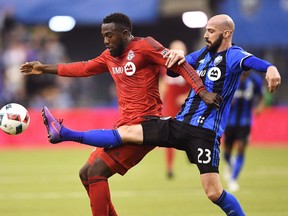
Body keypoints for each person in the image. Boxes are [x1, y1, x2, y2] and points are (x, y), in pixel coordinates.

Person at [35, 14, 281, 215]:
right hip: (180, 124)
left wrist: (269, 68)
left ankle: (65, 133)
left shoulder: (234, 55)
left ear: (226, 33)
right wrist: (174, 59)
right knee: (91, 169)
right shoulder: (202, 56)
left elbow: (254, 63)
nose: (205, 35)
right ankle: (64, 133)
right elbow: (177, 68)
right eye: (205, 30)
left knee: (213, 193)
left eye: (211, 31)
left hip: (204, 133)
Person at [223, 70, 265, 192]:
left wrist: (259, 106)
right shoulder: (230, 77)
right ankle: (231, 163)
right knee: (226, 151)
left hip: (245, 122)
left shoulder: (255, 80)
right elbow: (220, 93)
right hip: (229, 121)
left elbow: (261, 95)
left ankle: (233, 180)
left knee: (241, 147)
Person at [159, 40, 190, 179]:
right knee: (169, 137)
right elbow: (163, 84)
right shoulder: (164, 67)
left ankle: (191, 153)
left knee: (189, 133)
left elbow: (197, 86)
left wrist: (186, 96)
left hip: (186, 107)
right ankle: (169, 167)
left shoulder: (190, 66)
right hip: (170, 107)